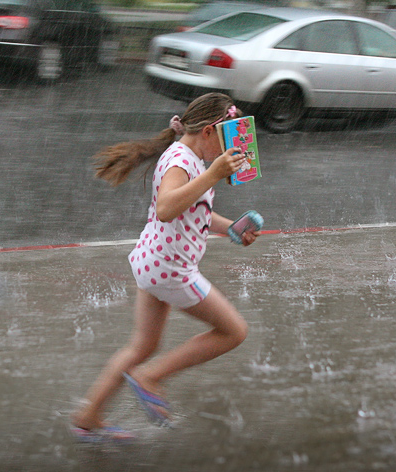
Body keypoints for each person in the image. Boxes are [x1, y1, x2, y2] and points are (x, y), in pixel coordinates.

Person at [70, 92, 259, 441]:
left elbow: (194, 209)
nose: (228, 149)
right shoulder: (181, 161)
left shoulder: (187, 158)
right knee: (234, 331)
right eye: (227, 137)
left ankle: (88, 416)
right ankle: (151, 377)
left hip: (153, 261)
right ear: (207, 131)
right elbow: (167, 207)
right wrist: (214, 174)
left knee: (141, 346)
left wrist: (230, 227)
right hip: (172, 269)